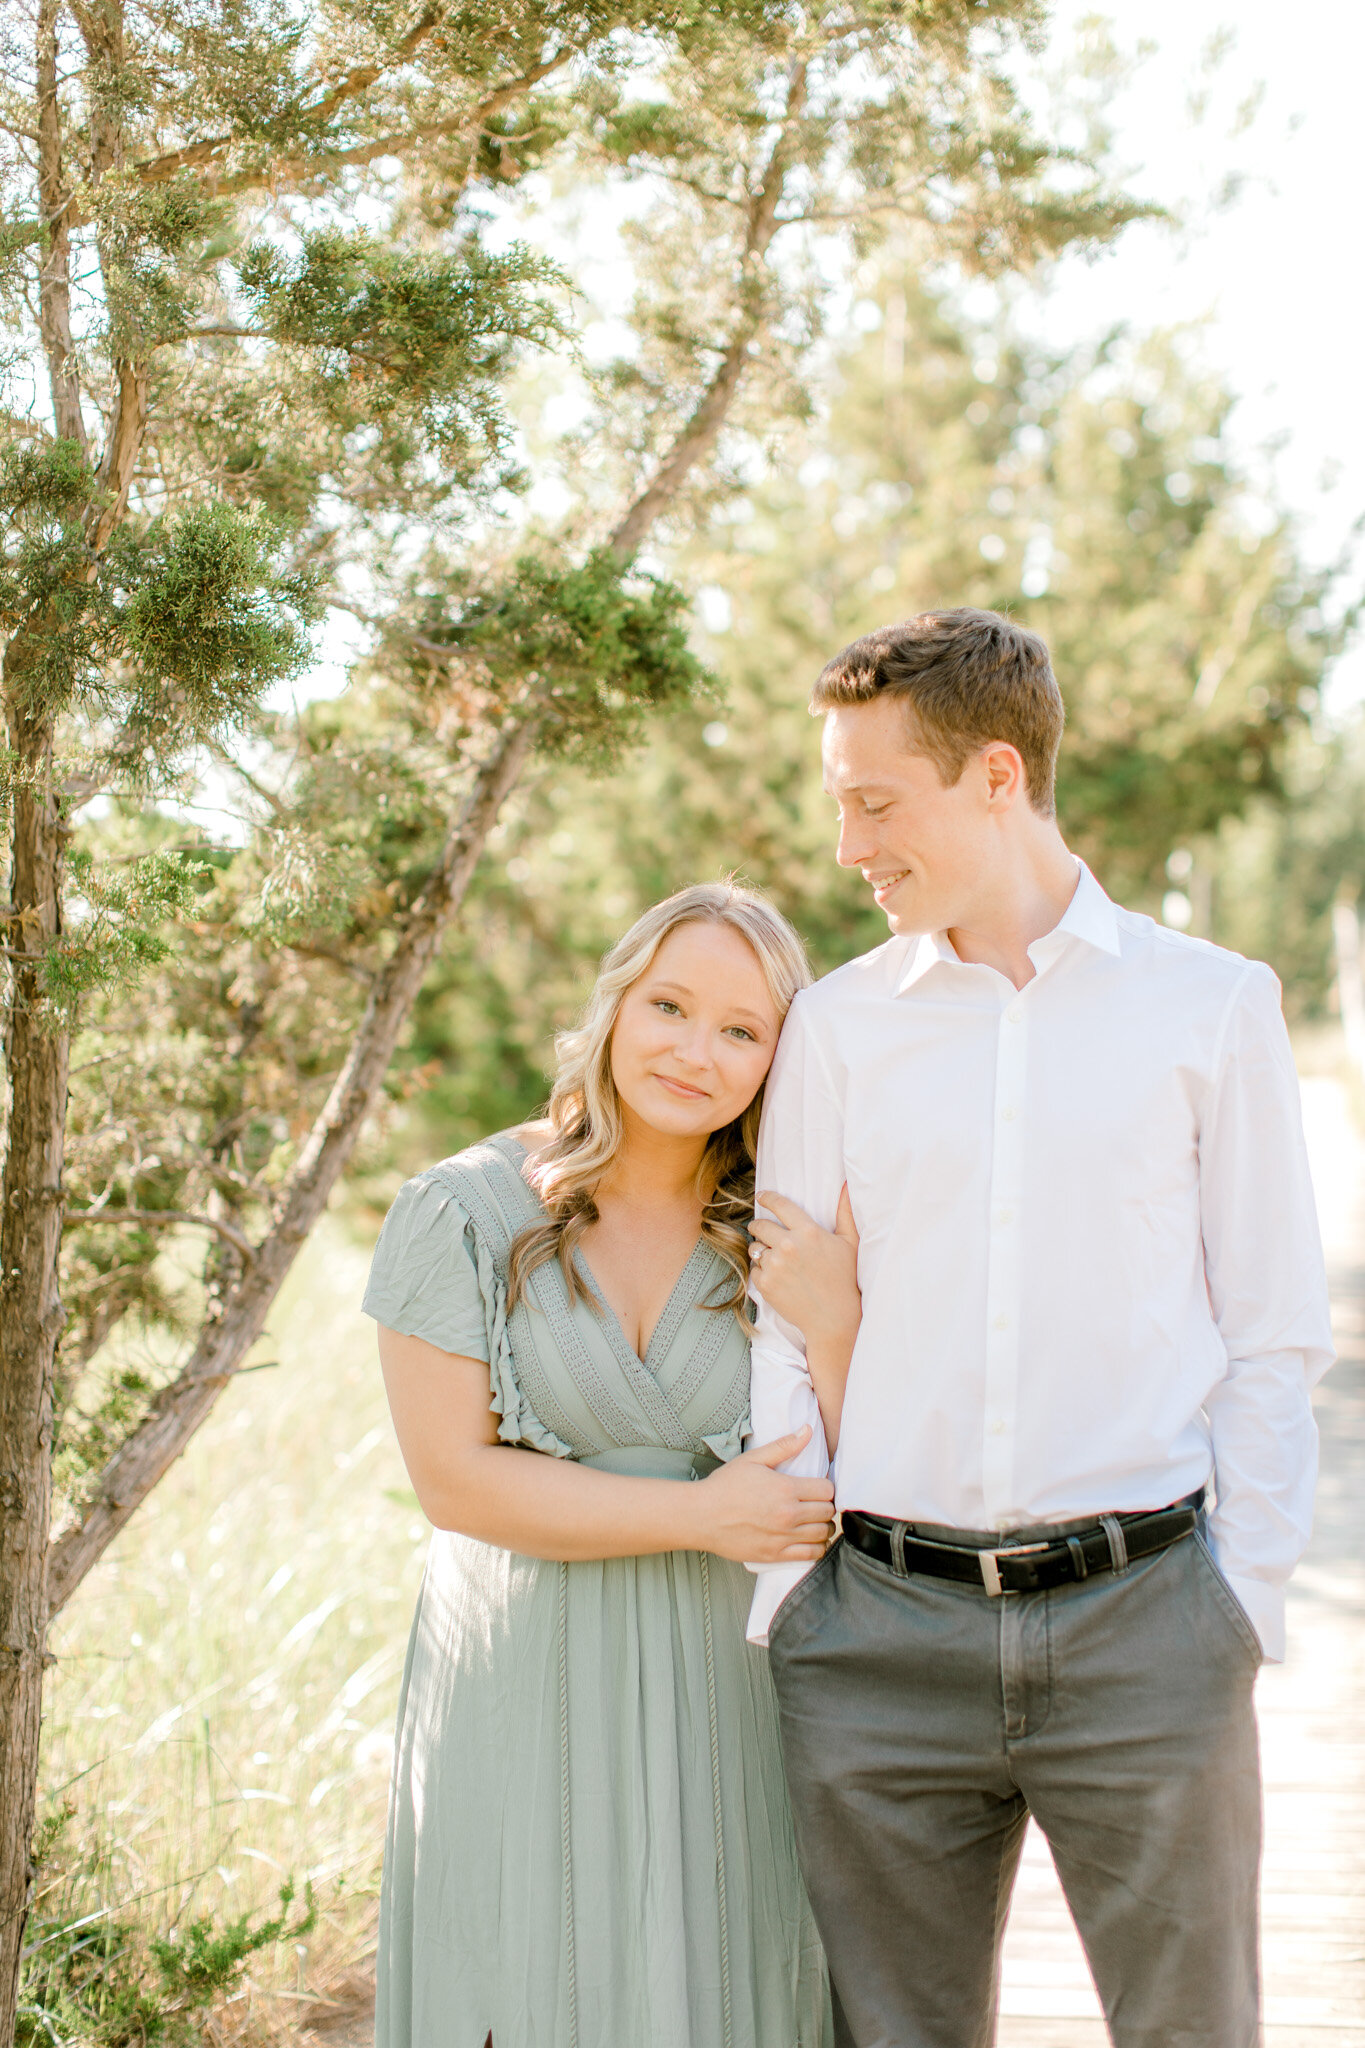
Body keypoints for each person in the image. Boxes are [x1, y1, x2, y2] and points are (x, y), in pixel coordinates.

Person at [744, 608, 1334, 2048]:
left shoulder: (1212, 1007)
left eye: (874, 802)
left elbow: (1270, 1331)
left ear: (995, 775)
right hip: (878, 1634)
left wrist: (1235, 1603)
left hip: (1149, 1629)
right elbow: (785, 1311)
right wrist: (797, 1602)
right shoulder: (837, 1029)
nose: (847, 845)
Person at [364, 882, 844, 2048]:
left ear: (784, 1058)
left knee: (728, 1975)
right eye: (669, 1004)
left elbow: (863, 1458)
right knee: (530, 1976)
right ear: (616, 1003)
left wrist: (834, 1324)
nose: (694, 1049)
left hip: (735, 1688)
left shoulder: (792, 1230)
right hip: (523, 1674)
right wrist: (701, 1512)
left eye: (742, 1028)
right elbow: (455, 1483)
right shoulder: (461, 1211)